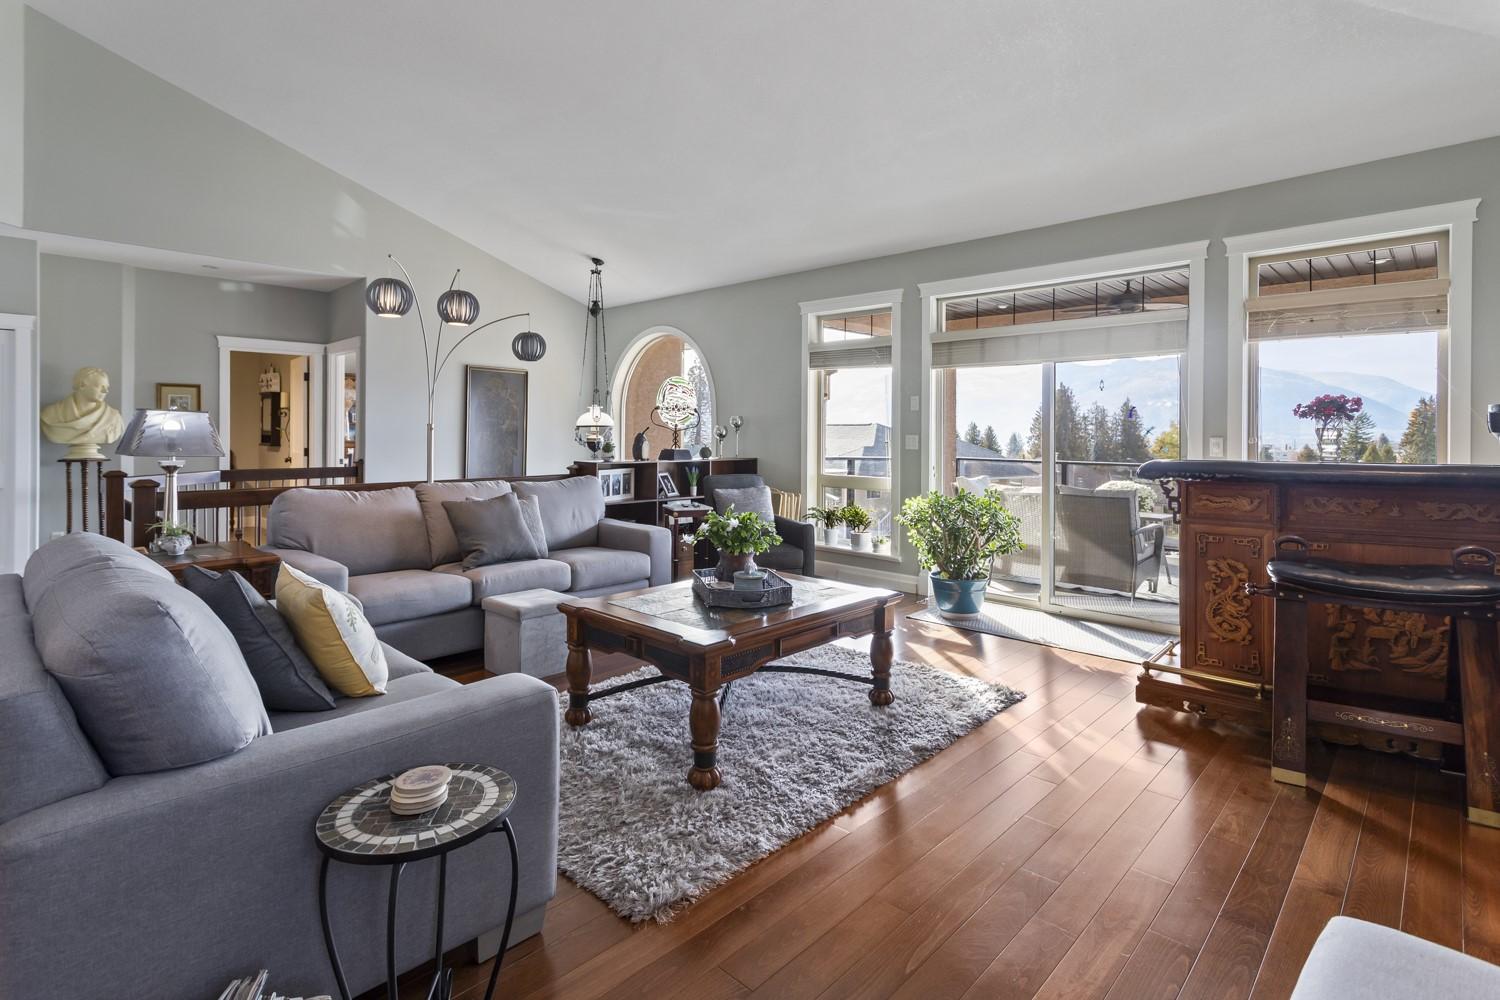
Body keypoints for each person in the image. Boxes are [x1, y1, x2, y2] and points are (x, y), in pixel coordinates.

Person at [40, 366, 125, 459]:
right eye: (99, 386)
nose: (105, 391)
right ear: (82, 385)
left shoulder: (113, 417)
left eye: (107, 387)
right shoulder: (51, 414)